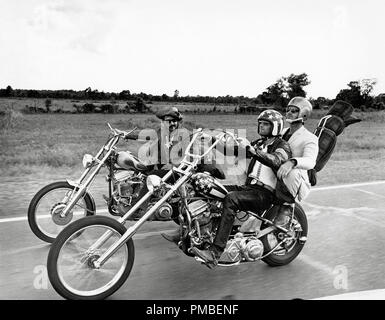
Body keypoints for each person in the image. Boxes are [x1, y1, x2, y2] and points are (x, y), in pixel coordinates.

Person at [189, 110, 292, 268]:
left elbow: (277, 160)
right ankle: (190, 233)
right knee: (209, 188)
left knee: (231, 199)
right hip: (249, 188)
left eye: (266, 124)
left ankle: (215, 253)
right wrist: (211, 139)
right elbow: (232, 151)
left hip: (265, 194)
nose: (262, 126)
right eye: (261, 123)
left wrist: (251, 150)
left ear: (276, 127)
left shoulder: (282, 145)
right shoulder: (259, 143)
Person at [274, 97, 319, 225]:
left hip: (297, 180)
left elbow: (311, 162)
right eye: (288, 110)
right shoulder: (281, 133)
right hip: (277, 175)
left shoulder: (310, 138)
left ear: (303, 114)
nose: (288, 113)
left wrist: (292, 162)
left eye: (293, 111)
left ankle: (287, 207)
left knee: (291, 172)